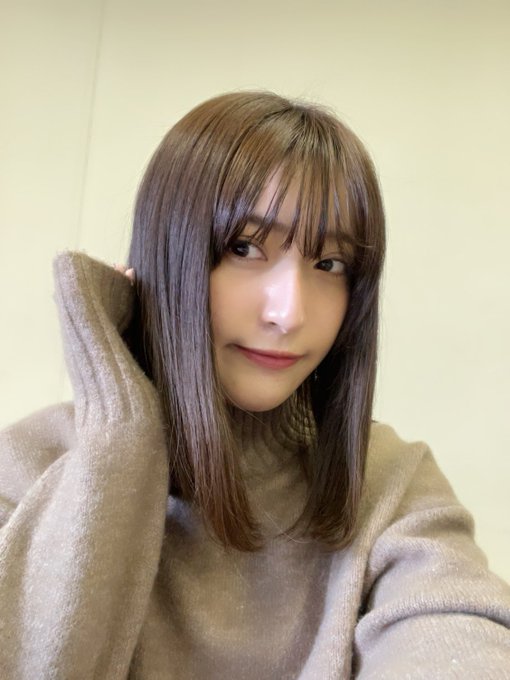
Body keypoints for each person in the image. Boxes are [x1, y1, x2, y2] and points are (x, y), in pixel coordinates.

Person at [0, 91, 509, 679]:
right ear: (170, 254)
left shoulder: (388, 481)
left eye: (330, 264)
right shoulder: (29, 465)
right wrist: (121, 436)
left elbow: (456, 636)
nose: (288, 314)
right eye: (244, 248)